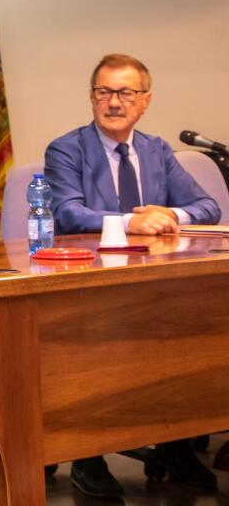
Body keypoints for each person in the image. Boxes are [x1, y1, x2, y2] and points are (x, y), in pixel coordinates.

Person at [45, 53, 221, 498]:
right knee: (94, 349)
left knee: (188, 340)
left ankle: (176, 445)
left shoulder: (156, 150)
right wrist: (129, 222)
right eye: (104, 91)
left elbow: (208, 208)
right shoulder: (67, 149)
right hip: (90, 288)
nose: (114, 102)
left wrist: (168, 215)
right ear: (91, 98)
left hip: (158, 284)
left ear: (145, 100)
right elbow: (67, 213)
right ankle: (88, 455)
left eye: (126, 92)